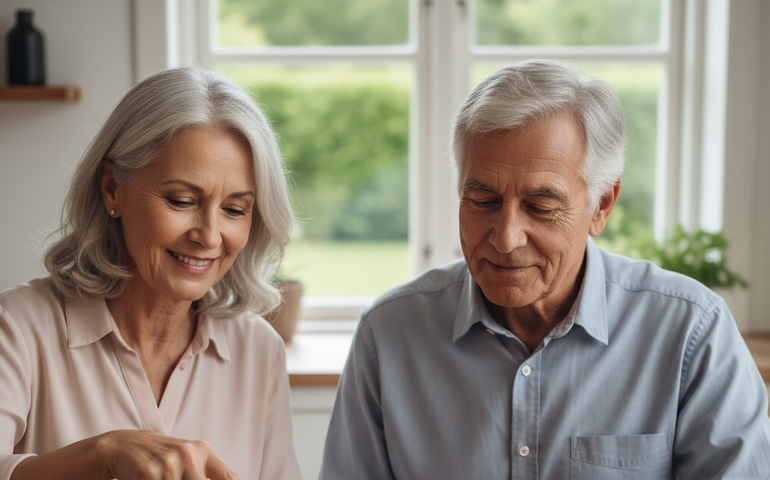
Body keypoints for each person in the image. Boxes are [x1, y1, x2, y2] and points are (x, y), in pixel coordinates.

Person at [319, 59, 770, 479]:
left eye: (539, 206)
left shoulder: (693, 333)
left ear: (601, 206)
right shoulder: (389, 334)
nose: (506, 237)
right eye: (483, 200)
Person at [0, 67, 303, 479]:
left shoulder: (258, 351)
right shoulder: (19, 326)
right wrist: (104, 454)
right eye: (181, 200)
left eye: (234, 210)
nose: (209, 236)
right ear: (112, 188)